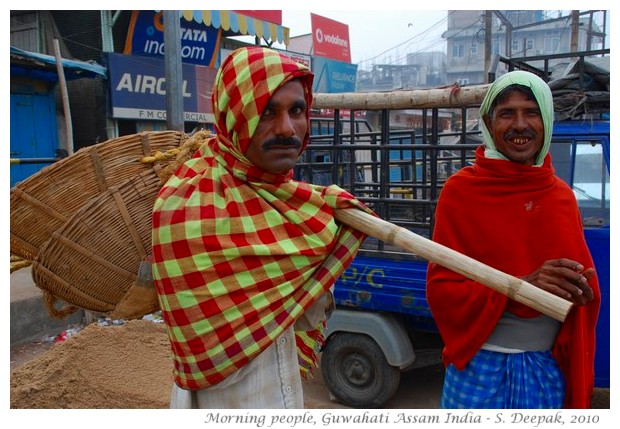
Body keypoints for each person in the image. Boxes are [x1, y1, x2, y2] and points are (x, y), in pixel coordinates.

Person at [151, 46, 371, 408]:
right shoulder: (188, 203)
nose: (287, 129)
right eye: (267, 111)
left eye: (297, 111)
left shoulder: (293, 202)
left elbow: (301, 313)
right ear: (234, 115)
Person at [426, 70, 600, 409]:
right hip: (478, 368)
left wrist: (581, 290)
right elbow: (441, 290)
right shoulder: (461, 192)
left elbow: (581, 299)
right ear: (489, 126)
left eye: (531, 112)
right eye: (507, 113)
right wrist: (523, 286)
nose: (520, 124)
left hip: (545, 369)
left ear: (546, 121)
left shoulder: (561, 197)